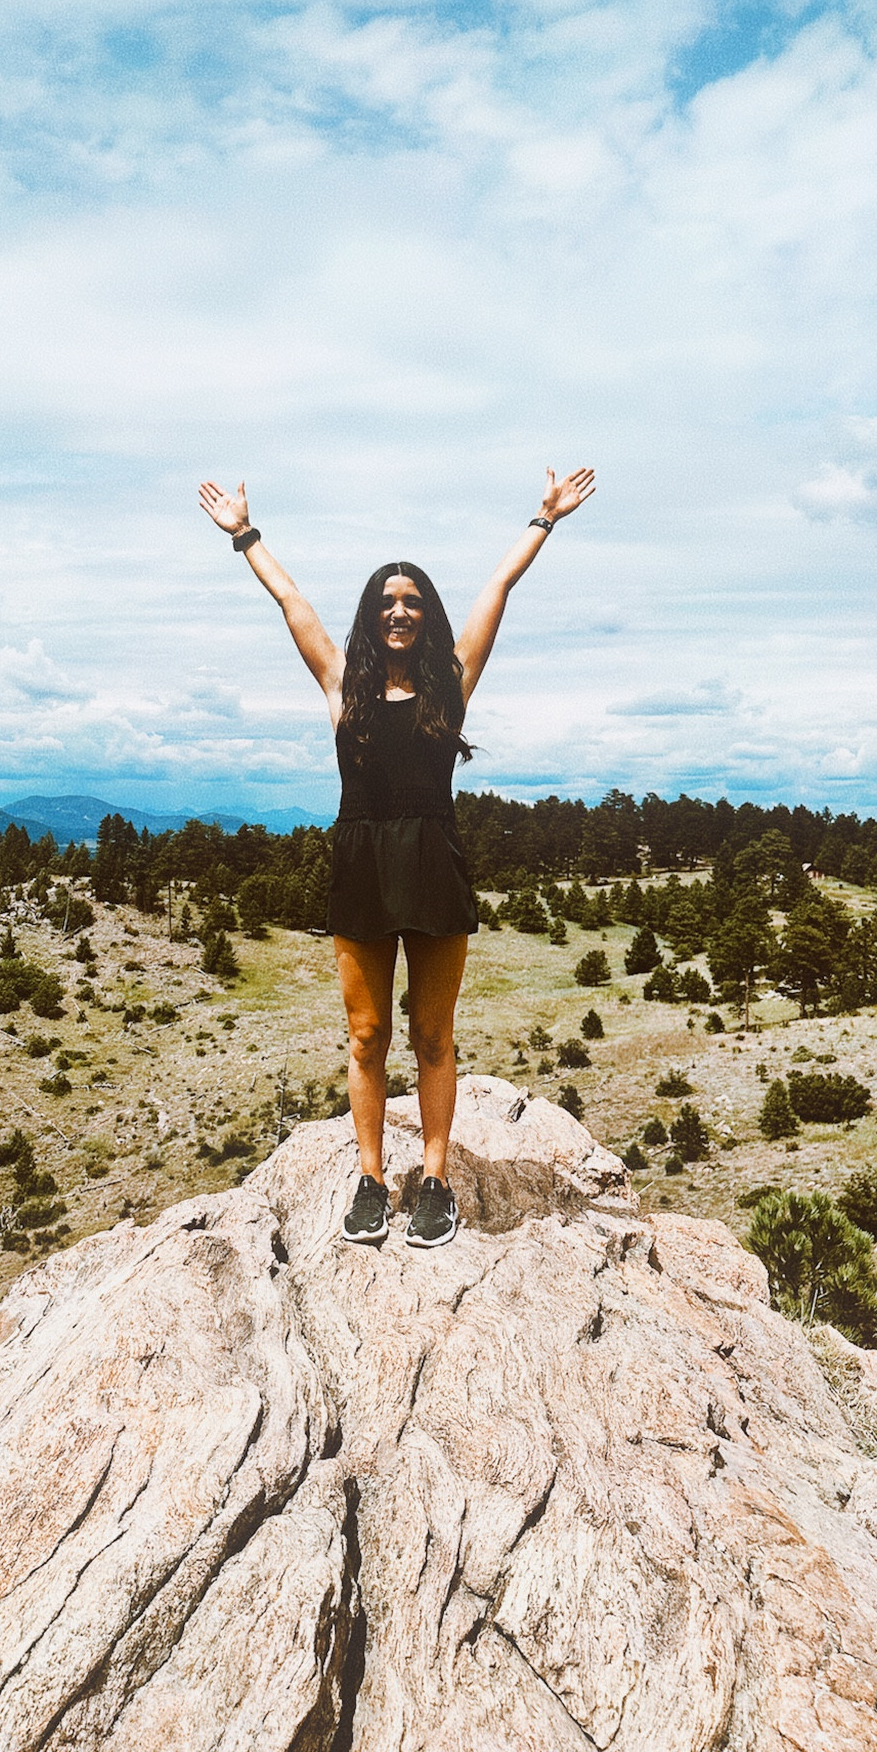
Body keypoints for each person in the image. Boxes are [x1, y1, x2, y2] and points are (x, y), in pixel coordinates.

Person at [198, 467, 595, 1247]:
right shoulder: (341, 683)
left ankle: (437, 1179)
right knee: (366, 1034)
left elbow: (497, 591)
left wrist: (543, 520)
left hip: (434, 860)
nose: (400, 611)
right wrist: (245, 534)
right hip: (361, 861)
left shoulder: (453, 679)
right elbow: (292, 602)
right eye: (387, 603)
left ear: (428, 615)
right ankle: (373, 1178)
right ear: (371, 619)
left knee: (434, 1035)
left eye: (412, 601)